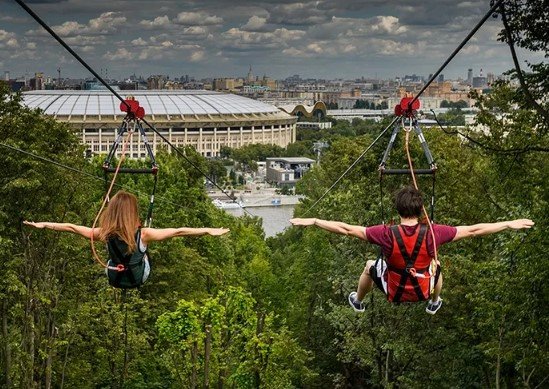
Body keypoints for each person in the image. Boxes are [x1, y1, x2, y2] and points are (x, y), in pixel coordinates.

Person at [290, 186, 534, 315]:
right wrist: (507, 224)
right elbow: (472, 230)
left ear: (398, 210)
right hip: (423, 289)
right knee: (436, 266)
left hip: (394, 290)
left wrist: (314, 221)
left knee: (368, 265)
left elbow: (346, 229)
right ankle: (435, 302)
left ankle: (358, 300)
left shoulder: (386, 234)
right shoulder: (434, 233)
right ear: (420, 210)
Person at [24, 190, 230, 288]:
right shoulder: (144, 234)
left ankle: (127, 260)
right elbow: (178, 231)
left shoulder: (103, 233)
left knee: (116, 258)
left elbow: (71, 227)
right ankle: (139, 257)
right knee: (143, 252)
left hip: (113, 276)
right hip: (139, 276)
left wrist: (44, 224)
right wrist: (207, 230)